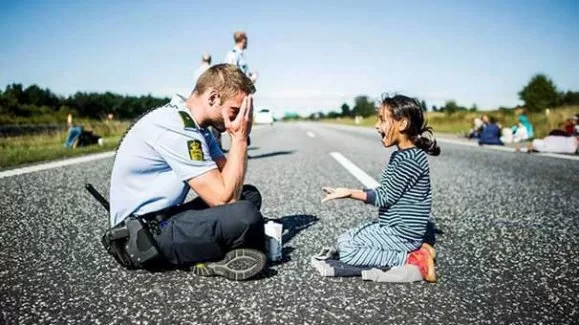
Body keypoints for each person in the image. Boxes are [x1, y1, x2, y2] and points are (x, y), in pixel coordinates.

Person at [108, 64, 266, 281]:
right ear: (213, 98)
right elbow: (225, 199)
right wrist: (239, 139)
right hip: (142, 238)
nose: (240, 119)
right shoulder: (175, 127)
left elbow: (229, 177)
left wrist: (238, 139)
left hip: (164, 217)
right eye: (235, 110)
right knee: (244, 215)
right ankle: (207, 257)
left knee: (249, 196)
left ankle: (214, 247)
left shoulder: (197, 127)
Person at [313, 95, 440, 283]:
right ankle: (418, 248)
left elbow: (384, 197)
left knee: (348, 252)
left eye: (382, 119)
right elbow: (388, 191)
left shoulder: (410, 160)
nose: (376, 125)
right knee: (344, 239)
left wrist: (349, 193)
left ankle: (412, 258)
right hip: (392, 228)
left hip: (401, 233)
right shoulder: (403, 155)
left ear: (402, 124)